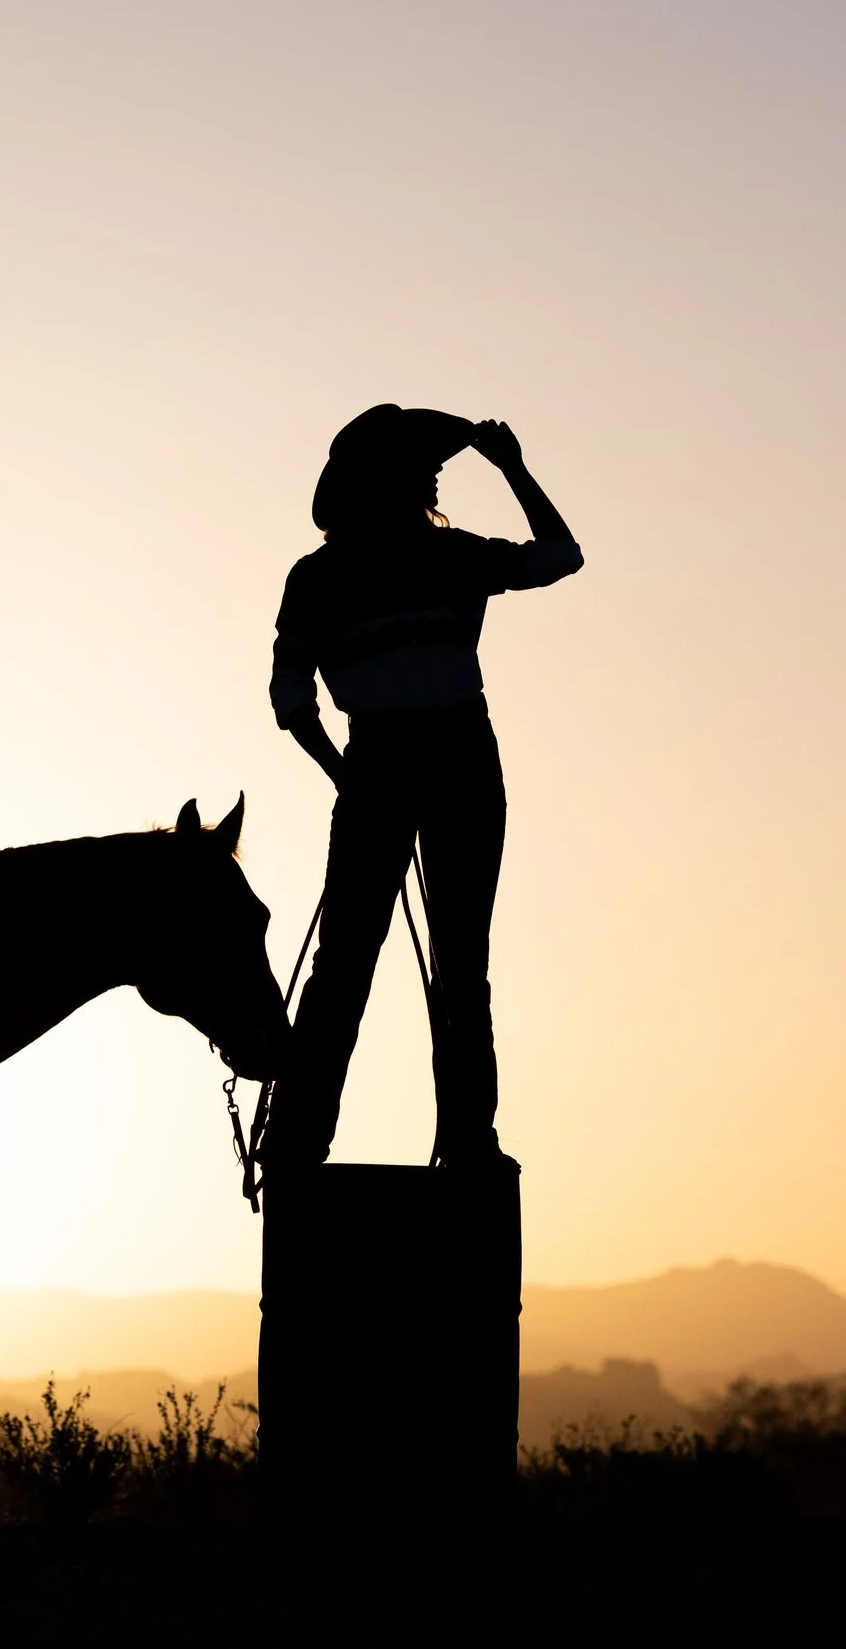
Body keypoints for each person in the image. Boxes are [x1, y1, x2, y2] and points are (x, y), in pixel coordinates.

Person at [258, 404, 583, 1177]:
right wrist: (513, 468)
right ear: (386, 476)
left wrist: (347, 775)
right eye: (421, 461)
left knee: (353, 963)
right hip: (456, 761)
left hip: (397, 764)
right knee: (452, 963)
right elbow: (558, 555)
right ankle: (463, 1140)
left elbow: (290, 699)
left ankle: (303, 1140)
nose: (437, 471)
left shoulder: (322, 576)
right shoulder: (444, 559)